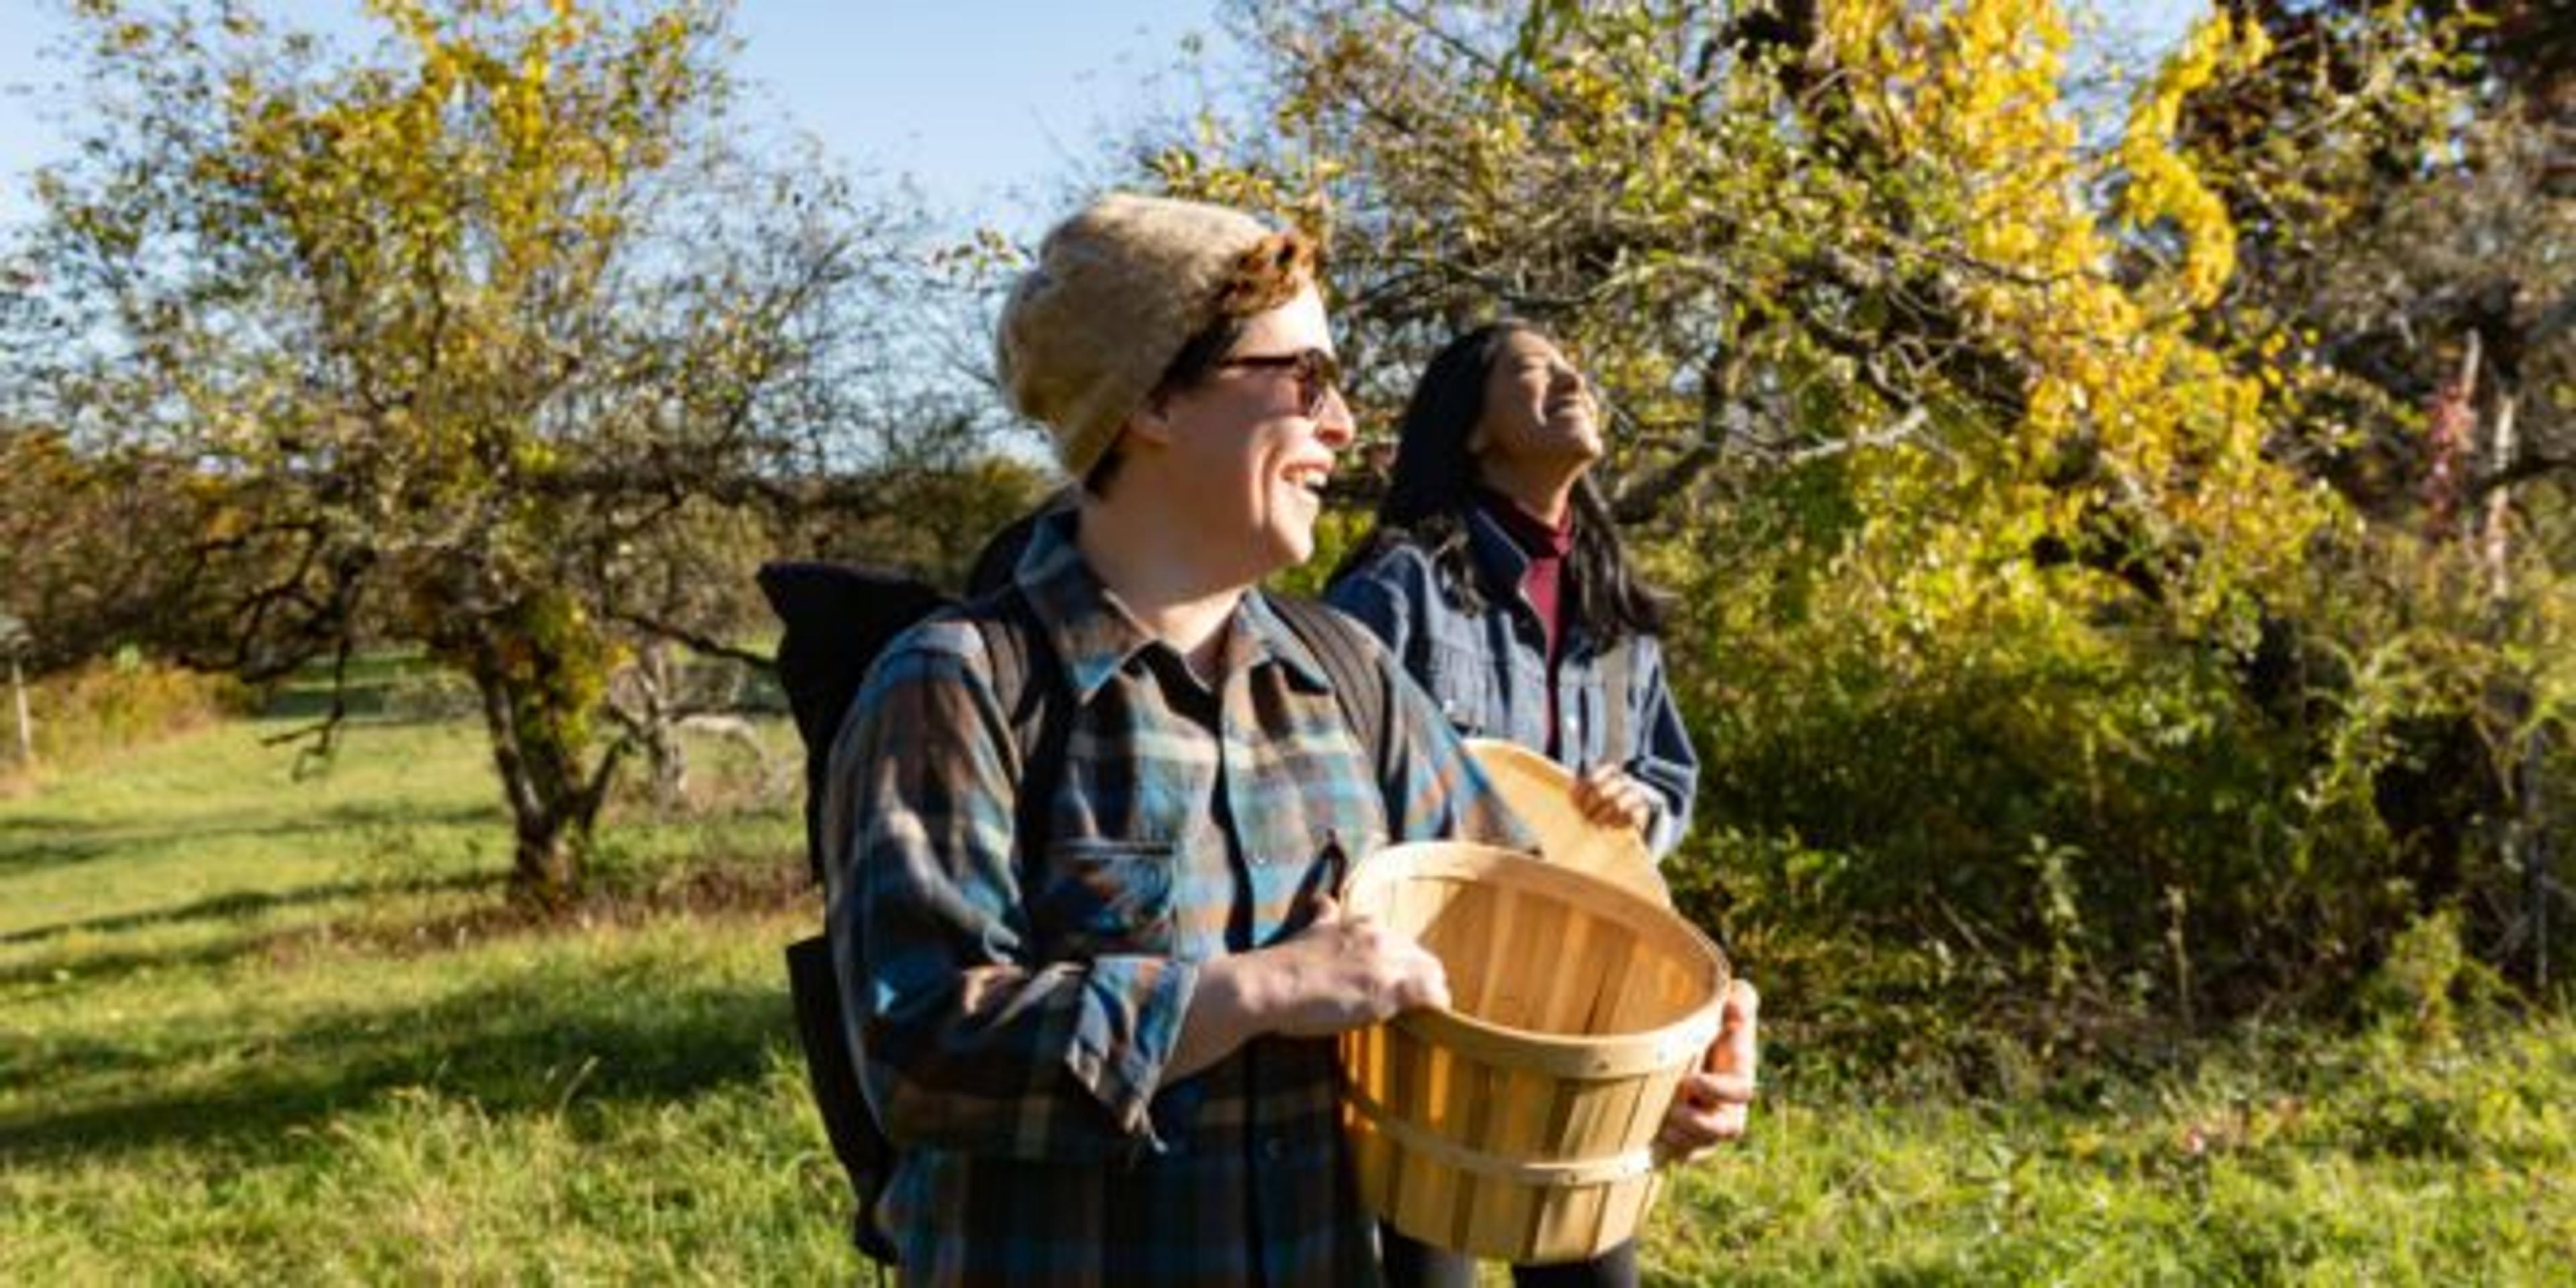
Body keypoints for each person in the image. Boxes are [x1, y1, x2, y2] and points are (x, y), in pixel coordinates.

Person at [828, 195, 1754, 1287]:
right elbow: (923, 1051)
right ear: (1156, 398)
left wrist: (1672, 1062)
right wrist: (1258, 990)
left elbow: (1526, 950)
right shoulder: (957, 686)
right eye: (1305, 378)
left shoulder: (1349, 677)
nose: (1345, 424)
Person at [1328, 319, 1748, 1287]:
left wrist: (1640, 805)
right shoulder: (1402, 586)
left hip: (1583, 1021)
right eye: (1534, 371)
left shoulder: (1616, 611)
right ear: (1474, 431)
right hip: (1431, 1025)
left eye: (1574, 362)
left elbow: (1668, 775)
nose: (1573, 376)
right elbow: (1323, 779)